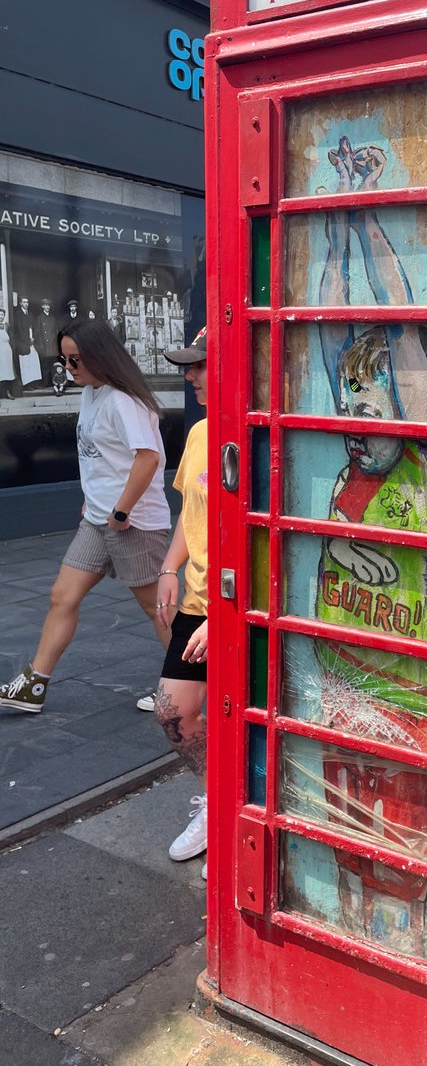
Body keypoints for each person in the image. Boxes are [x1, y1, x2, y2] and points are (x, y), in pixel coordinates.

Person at [0, 320, 171, 713]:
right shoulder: (92, 394)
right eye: (63, 360)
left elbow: (149, 458)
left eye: (75, 360)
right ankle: (34, 685)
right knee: (63, 595)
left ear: (99, 357)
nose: (68, 368)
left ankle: (189, 687)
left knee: (157, 608)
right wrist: (93, 500)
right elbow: (102, 458)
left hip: (133, 523)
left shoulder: (123, 400)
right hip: (97, 519)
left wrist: (121, 510)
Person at [153, 328, 210, 876]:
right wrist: (170, 567)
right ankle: (218, 802)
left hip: (242, 607)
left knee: (245, 718)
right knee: (175, 715)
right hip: (196, 600)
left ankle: (247, 821)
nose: (189, 376)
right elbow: (192, 516)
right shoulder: (198, 433)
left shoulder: (261, 434)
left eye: (199, 366)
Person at [35, 299, 58, 385]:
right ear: (42, 307)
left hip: (52, 345)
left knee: (53, 364)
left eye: (48, 305)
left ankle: (53, 382)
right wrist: (41, 344)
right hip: (44, 345)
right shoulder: (40, 318)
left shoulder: (53, 318)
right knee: (45, 365)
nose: (47, 307)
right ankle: (45, 383)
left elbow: (56, 331)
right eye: (45, 305)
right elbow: (38, 333)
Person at [0, 308, 15, 398]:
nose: (1, 317)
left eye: (2, 315)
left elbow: (11, 338)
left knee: (8, 371)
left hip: (6, 351)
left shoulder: (6, 326)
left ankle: (8, 392)